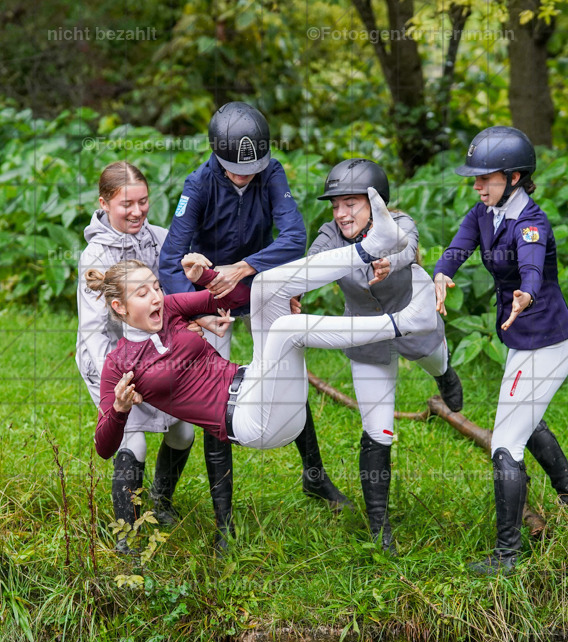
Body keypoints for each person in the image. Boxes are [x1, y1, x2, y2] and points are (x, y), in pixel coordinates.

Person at [93, 188, 440, 551]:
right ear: (119, 306)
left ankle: (370, 248)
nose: (154, 297)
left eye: (155, 286)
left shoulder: (172, 306)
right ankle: (405, 322)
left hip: (262, 387)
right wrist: (119, 410)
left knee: (265, 284)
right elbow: (104, 446)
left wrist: (207, 274)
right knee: (287, 330)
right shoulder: (119, 363)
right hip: (250, 422)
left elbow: (236, 299)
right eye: (142, 293)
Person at [158, 101, 351, 546]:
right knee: (213, 403)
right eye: (234, 169)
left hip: (258, 281)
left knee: (286, 378)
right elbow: (171, 258)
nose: (243, 176)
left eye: (251, 168)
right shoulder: (199, 183)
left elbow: (294, 238)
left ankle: (314, 475)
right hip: (210, 296)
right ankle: (221, 524)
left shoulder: (272, 173)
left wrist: (246, 267)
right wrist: (193, 311)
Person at [432, 126, 568, 575]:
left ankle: (508, 555)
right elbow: (458, 246)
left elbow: (532, 267)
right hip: (521, 340)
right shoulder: (485, 213)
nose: (477, 186)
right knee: (526, 418)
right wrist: (442, 273)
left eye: (486, 178)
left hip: (548, 342)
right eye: (475, 179)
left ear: (515, 178)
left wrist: (527, 293)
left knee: (505, 442)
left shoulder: (532, 223)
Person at [296, 158, 464, 551]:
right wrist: (294, 291)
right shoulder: (329, 234)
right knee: (377, 428)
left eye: (350, 203)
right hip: (365, 333)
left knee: (435, 360)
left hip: (412, 318)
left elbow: (407, 249)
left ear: (376, 202)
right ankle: (379, 526)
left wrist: (390, 260)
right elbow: (311, 266)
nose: (340, 213)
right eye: (335, 205)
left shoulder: (401, 223)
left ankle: (444, 375)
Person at [76, 161, 205, 551]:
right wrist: (115, 384)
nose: (136, 212)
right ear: (104, 204)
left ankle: (161, 501)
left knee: (183, 430)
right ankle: (125, 532)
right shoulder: (94, 256)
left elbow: (180, 291)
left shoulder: (160, 239)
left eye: (143, 202)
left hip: (156, 355)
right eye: (126, 205)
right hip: (113, 361)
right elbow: (94, 332)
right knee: (134, 438)